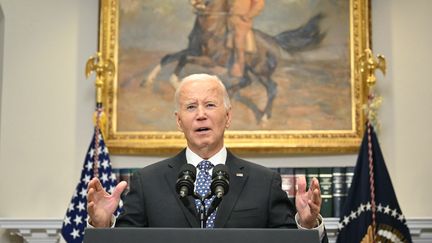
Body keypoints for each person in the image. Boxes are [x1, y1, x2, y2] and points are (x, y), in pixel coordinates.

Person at [87, 73, 328, 242]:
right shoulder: (147, 181)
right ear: (179, 121)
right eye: (191, 107)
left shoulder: (264, 182)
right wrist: (101, 226)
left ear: (228, 117)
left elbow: (288, 241)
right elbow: (126, 241)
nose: (201, 115)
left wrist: (306, 226)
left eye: (210, 105)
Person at [227, 0, 265, 77]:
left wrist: (248, 15)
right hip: (230, 18)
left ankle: (240, 67)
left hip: (242, 20)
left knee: (238, 40)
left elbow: (259, 4)